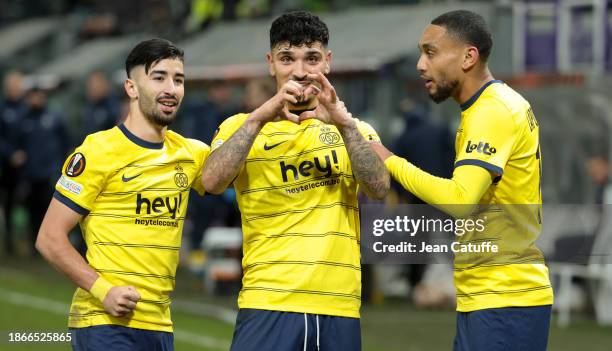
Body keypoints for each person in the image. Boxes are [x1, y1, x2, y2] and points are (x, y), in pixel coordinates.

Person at [201, 11, 390, 351]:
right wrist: (259, 117)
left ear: (328, 62)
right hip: (268, 301)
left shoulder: (353, 129)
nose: (300, 71)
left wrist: (344, 126)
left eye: (312, 58)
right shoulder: (241, 126)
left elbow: (379, 188)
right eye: (288, 58)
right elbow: (212, 181)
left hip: (339, 305)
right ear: (271, 63)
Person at [372, 10, 554, 351]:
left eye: (431, 52)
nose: (420, 65)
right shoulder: (492, 105)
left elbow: (460, 199)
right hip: (495, 297)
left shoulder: (492, 111)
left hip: (503, 299)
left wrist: (389, 160)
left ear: (469, 57)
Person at [35, 38, 210, 351]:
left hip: (159, 325)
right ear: (131, 88)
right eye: (159, 77)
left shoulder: (192, 154)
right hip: (104, 321)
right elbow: (49, 238)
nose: (171, 88)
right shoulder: (98, 151)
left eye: (178, 79)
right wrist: (104, 291)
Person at [19, 86, 72, 253]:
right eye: (33, 97)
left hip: (51, 172)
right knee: (32, 209)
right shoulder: (24, 120)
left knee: (51, 210)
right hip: (31, 174)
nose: (36, 100)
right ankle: (36, 244)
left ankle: (55, 246)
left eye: (39, 96)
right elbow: (17, 144)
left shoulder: (54, 117)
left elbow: (66, 141)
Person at [0, 70, 27, 255]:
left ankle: (28, 240)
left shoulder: (28, 108)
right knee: (7, 202)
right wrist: (10, 154)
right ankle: (8, 238)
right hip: (5, 165)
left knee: (29, 202)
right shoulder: (2, 108)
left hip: (28, 166)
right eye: (12, 85)